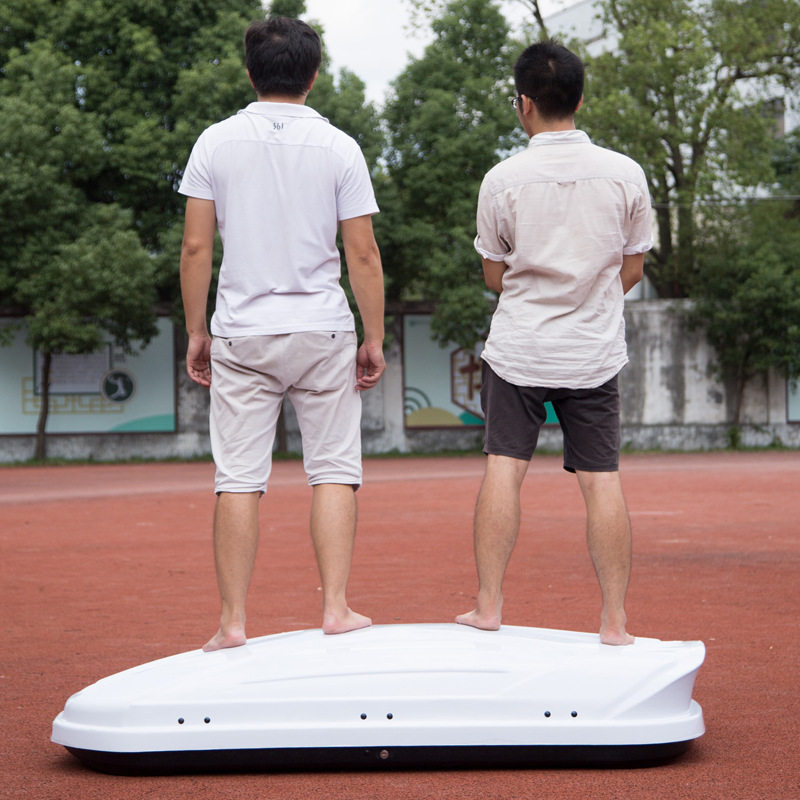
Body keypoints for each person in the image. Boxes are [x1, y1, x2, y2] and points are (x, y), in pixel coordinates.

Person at [178, 16, 385, 652]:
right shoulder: (340, 147)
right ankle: (336, 608)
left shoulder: (214, 143)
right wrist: (374, 337)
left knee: (238, 477)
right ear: (313, 75)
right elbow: (363, 253)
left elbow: (195, 247)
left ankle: (232, 622)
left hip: (242, 331)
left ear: (250, 73)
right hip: (323, 328)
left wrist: (196, 331)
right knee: (333, 469)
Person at [456, 40, 653, 645]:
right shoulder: (625, 174)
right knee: (602, 480)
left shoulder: (502, 180)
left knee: (503, 469)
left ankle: (488, 605)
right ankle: (614, 621)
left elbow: (494, 275)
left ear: (523, 103)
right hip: (593, 351)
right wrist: (589, 299)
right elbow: (634, 267)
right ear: (580, 99)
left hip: (519, 348)